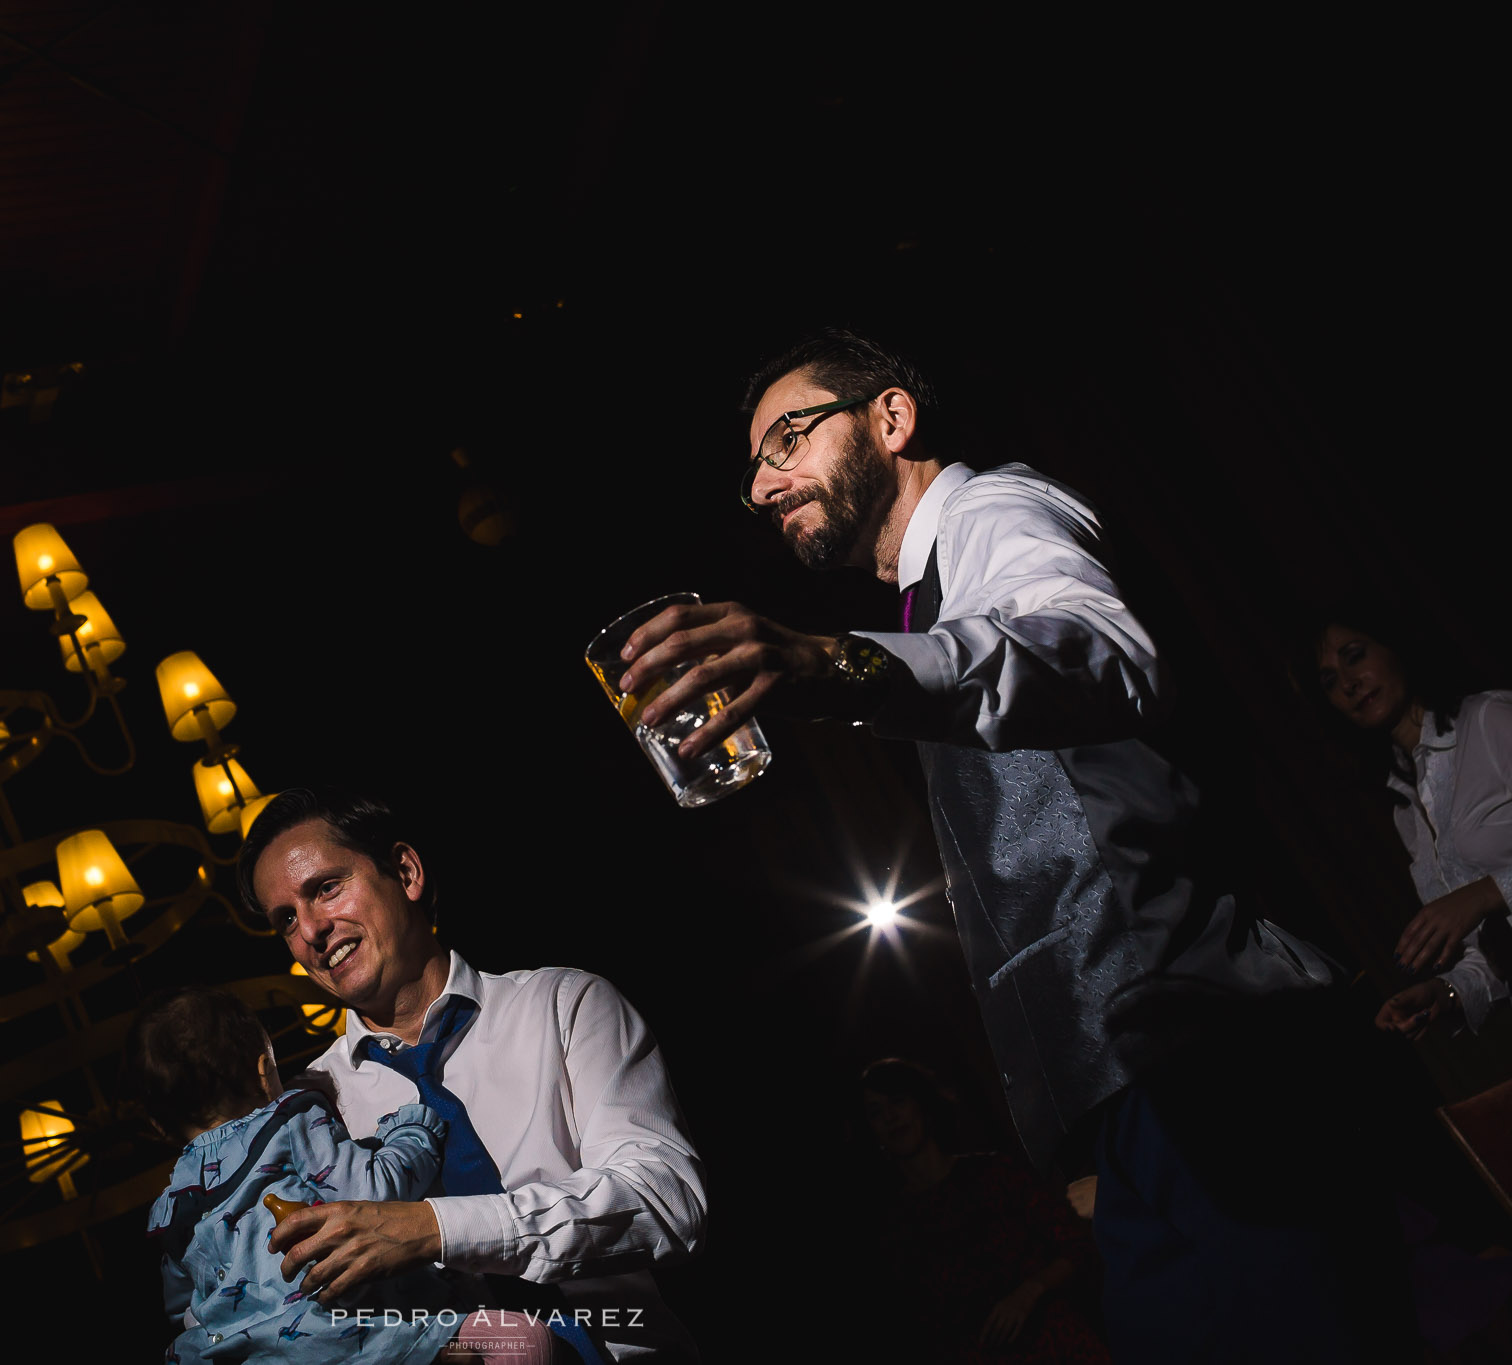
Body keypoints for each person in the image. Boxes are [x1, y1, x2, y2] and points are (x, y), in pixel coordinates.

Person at [613, 328, 1408, 1359]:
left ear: (889, 419)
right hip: (1129, 1110)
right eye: (753, 471)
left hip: (1213, 1068)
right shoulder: (922, 601)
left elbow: (1099, 647)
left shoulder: (995, 509)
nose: (764, 488)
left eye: (786, 442)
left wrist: (838, 666)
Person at [235, 788, 707, 1362]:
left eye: (326, 888)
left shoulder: (564, 1003)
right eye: (286, 920)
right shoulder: (306, 1110)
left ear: (405, 872)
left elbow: (666, 1197)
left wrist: (431, 1228)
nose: (310, 930)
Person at [132, 985, 480, 1363]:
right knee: (522, 1341)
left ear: (159, 1126)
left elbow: (180, 1306)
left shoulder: (167, 1210)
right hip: (359, 1338)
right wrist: (412, 1130)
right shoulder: (287, 1122)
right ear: (265, 1074)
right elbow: (373, 1191)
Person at [1309, 614, 1510, 1038]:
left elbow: (1479, 902)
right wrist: (1446, 992)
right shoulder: (1406, 808)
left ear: (1395, 647)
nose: (1348, 684)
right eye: (1329, 681)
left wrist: (1487, 893)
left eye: (1355, 657)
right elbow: (1493, 953)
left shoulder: (1489, 719)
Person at [860, 1058, 1108, 1364]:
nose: (890, 1117)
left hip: (1059, 1346)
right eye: (875, 1111)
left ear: (920, 1104)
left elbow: (1074, 1246)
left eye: (897, 1101)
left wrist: (1029, 1291)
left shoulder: (995, 1173)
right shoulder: (893, 1229)